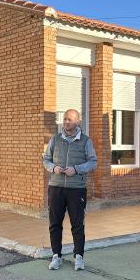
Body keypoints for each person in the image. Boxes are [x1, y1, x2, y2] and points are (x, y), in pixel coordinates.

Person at [42, 109, 97, 271]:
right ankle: (56, 256)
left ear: (78, 122)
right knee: (55, 224)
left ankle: (78, 257)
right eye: (65, 119)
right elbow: (46, 159)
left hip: (76, 190)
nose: (66, 122)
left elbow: (93, 162)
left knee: (77, 224)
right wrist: (54, 168)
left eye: (70, 120)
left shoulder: (86, 141)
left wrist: (77, 169)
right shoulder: (55, 139)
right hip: (56, 188)